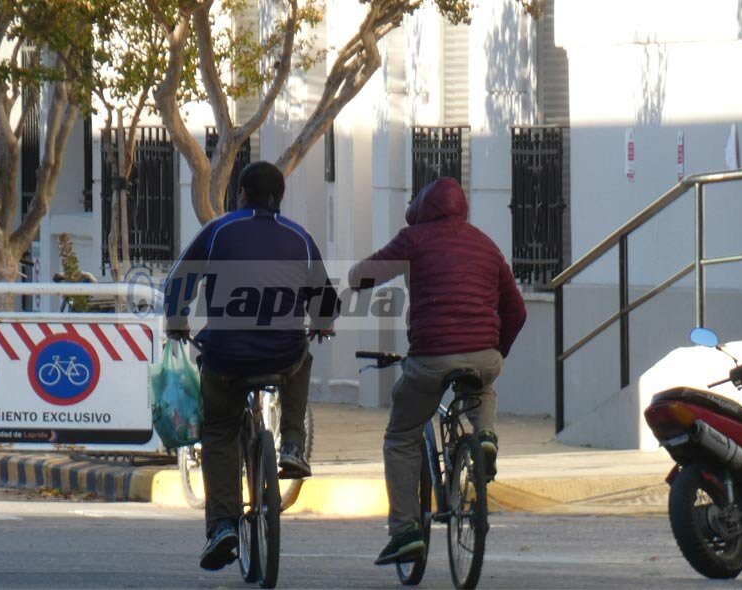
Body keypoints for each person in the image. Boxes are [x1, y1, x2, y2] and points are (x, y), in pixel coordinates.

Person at [165, 161, 338, 571]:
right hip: (282, 353)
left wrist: (177, 323)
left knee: (220, 431)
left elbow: (178, 281)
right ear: (280, 197)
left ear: (241, 193)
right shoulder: (300, 237)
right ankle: (292, 443)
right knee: (302, 355)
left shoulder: (218, 231)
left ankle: (222, 526)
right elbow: (326, 301)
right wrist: (322, 325)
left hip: (225, 357)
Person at [348, 177, 526, 566]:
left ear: (422, 210)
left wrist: (354, 279)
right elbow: (517, 309)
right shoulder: (486, 244)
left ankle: (405, 531)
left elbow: (364, 275)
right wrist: (497, 350)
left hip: (430, 358)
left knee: (401, 436)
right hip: (483, 355)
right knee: (482, 385)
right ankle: (484, 436)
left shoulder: (414, 239)